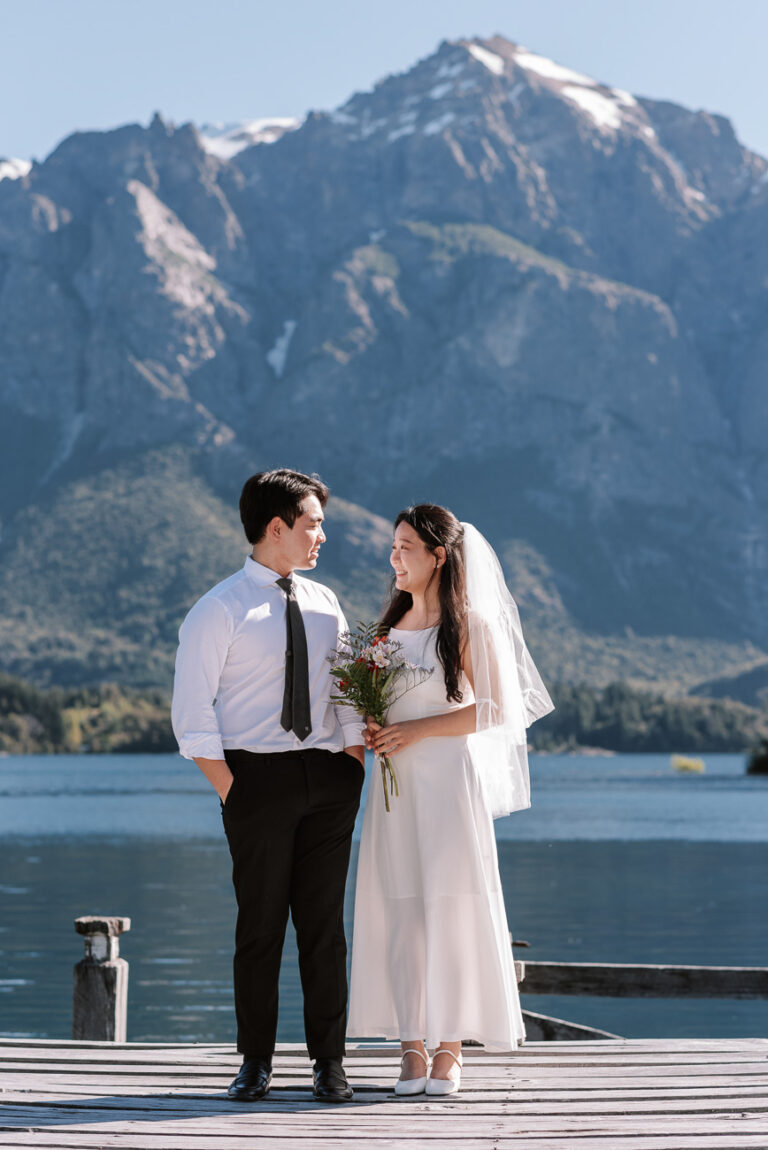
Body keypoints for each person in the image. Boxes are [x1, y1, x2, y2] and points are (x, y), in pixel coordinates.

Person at [171, 469, 365, 1103]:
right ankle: (254, 1061)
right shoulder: (218, 608)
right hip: (253, 779)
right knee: (258, 928)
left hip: (328, 777)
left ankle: (329, 1064)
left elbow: (344, 692)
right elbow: (191, 716)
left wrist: (353, 761)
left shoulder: (326, 602)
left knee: (324, 928)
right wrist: (232, 789)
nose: (322, 536)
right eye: (313, 523)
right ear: (276, 527)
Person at [347, 504, 553, 1095]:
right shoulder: (387, 630)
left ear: (439, 555)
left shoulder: (469, 626)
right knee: (401, 909)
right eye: (392, 546)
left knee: (450, 905)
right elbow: (381, 707)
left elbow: (493, 708)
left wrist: (417, 731)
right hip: (394, 792)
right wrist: (374, 723)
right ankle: (410, 1046)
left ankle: (450, 1048)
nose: (394, 558)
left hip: (447, 783)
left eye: (405, 547)